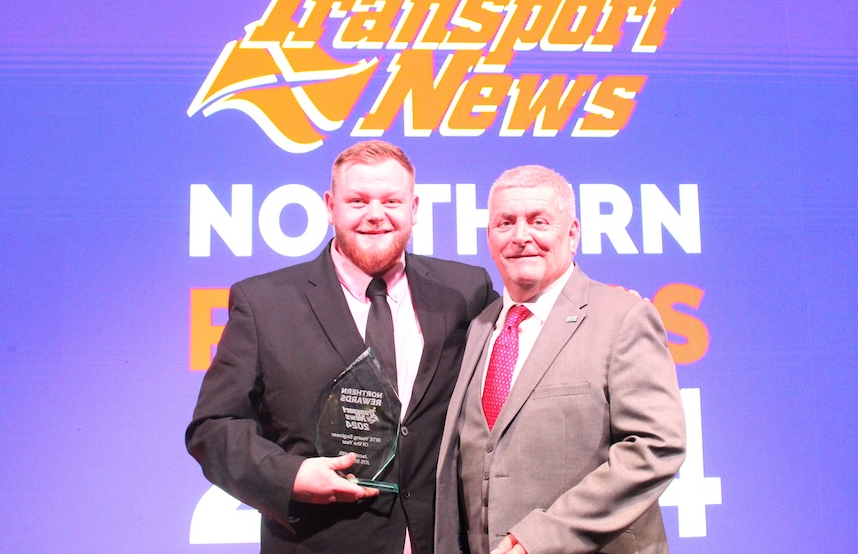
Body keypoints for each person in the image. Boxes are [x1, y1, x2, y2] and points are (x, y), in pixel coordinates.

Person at [186, 140, 498, 554]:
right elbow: (214, 427)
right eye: (358, 200)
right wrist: (291, 476)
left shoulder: (466, 290)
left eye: (391, 201)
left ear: (414, 208)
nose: (376, 214)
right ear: (330, 207)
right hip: (319, 541)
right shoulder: (264, 303)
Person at [434, 165, 686, 554]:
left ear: (572, 233)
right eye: (505, 223)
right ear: (489, 237)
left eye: (539, 221)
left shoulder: (622, 316)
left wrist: (539, 539)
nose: (521, 236)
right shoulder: (480, 327)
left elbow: (656, 446)